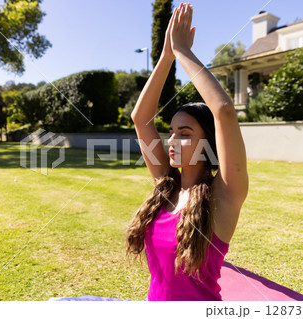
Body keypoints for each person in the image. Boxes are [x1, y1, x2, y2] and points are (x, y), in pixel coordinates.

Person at [125, 2, 248, 301]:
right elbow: (141, 119)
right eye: (171, 133)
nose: (171, 141)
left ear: (209, 143)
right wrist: (166, 56)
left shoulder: (225, 194)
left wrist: (183, 52)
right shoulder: (166, 186)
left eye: (185, 134)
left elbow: (224, 111)